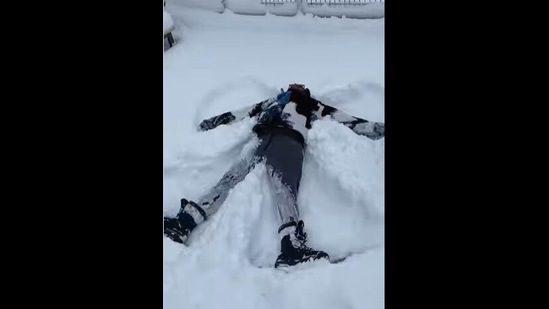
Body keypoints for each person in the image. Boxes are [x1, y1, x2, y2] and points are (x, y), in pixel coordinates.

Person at [164, 83, 384, 268]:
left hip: (288, 141)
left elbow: (344, 119)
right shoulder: (275, 100)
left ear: (305, 92)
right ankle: (184, 222)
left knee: (285, 190)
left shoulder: (309, 104)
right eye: (294, 84)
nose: (296, 85)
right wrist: (213, 122)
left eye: (301, 86)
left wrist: (377, 129)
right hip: (260, 140)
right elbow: (245, 112)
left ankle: (290, 245)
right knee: (228, 181)